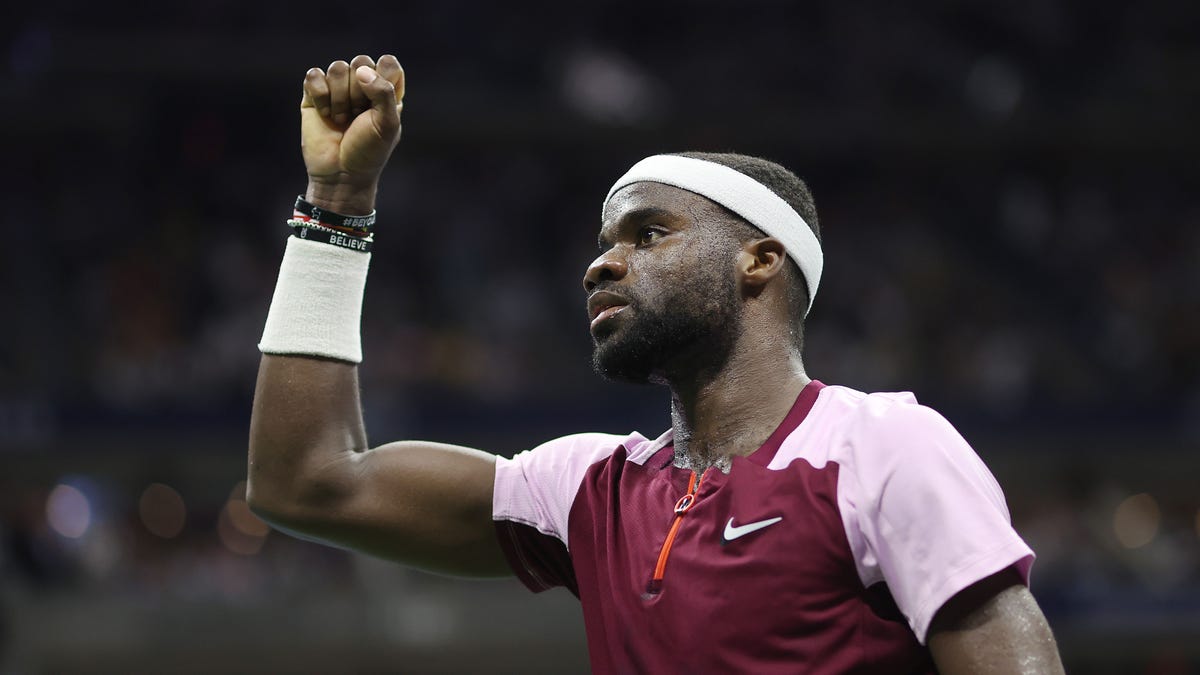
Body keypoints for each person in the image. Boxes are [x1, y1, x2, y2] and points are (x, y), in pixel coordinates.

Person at [247, 54, 1065, 674]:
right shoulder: (589, 490)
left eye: (648, 235)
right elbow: (307, 481)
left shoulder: (883, 445)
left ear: (758, 260)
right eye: (604, 245)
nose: (601, 265)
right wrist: (338, 200)